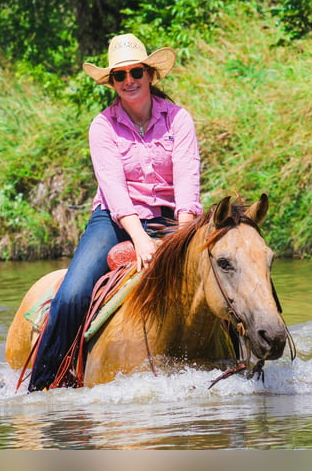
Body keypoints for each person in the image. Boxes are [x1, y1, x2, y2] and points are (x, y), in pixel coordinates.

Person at [27, 33, 203, 391]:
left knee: (223, 274)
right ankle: (44, 386)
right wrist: (139, 238)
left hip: (173, 220)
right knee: (73, 293)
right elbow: (114, 190)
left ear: (150, 74)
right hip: (116, 220)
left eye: (135, 71)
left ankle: (246, 356)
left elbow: (188, 181)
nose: (129, 81)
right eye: (119, 76)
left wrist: (183, 238)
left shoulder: (179, 119)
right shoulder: (102, 126)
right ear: (112, 82)